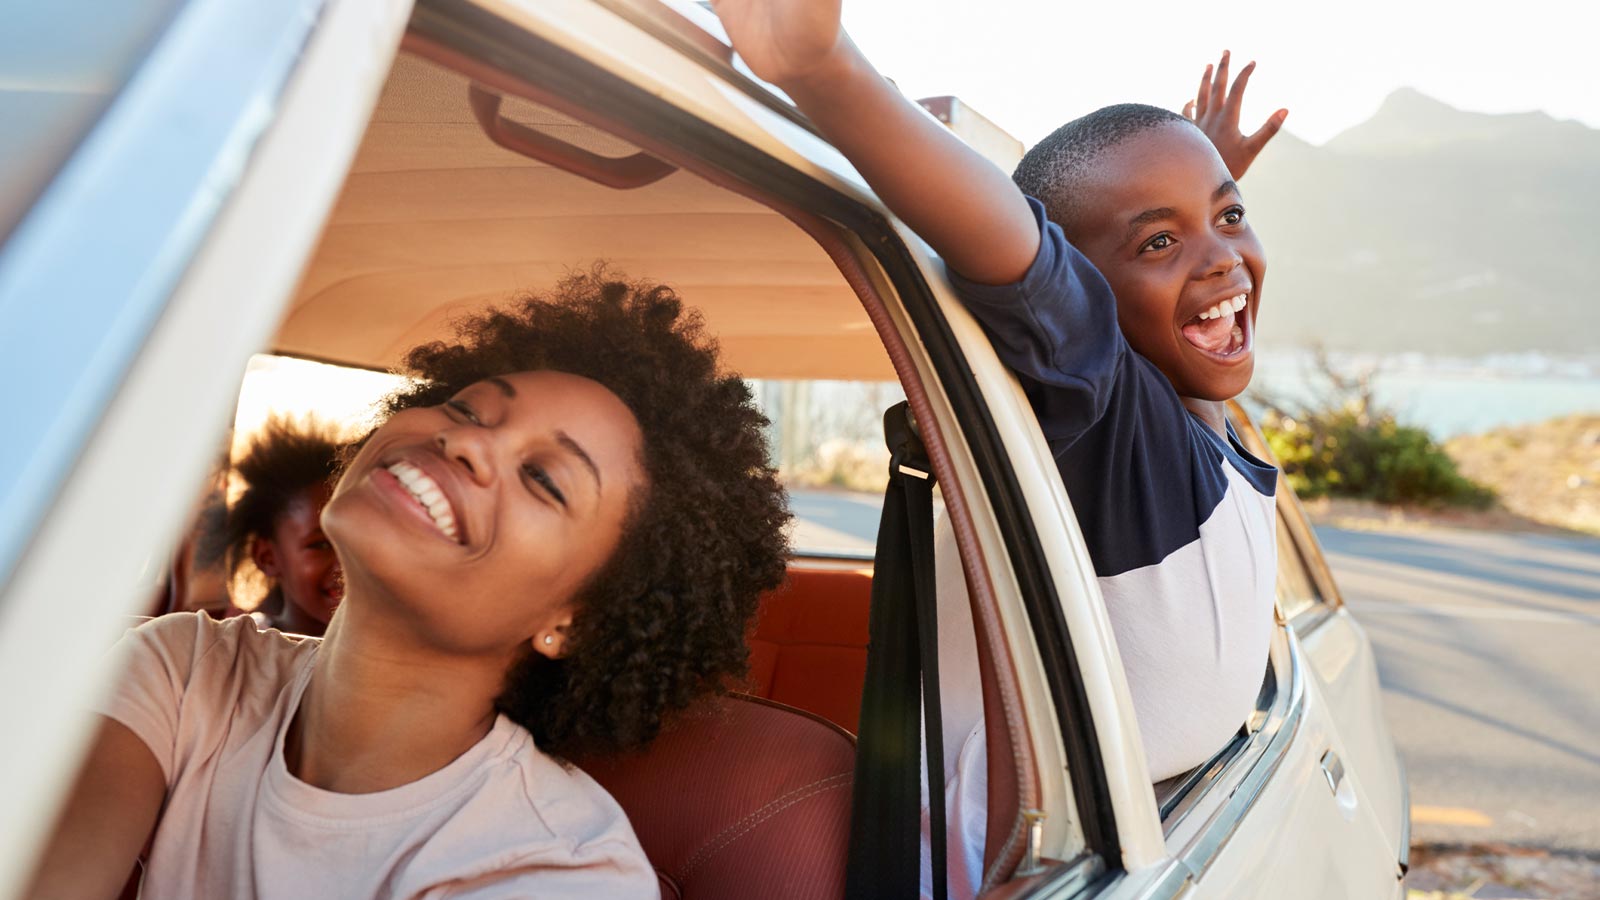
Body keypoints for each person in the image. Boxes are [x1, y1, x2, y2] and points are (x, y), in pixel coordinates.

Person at [713, 2, 1287, 894]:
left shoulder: (1177, 416)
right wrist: (828, 73)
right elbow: (1025, 263)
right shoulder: (1104, 423)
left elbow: (1184, 355)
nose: (1223, 260)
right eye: (1160, 241)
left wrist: (1189, 175)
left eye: (1233, 215)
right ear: (1081, 294)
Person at [25, 272, 790, 900]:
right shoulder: (189, 667)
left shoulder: (555, 872)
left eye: (542, 478)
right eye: (467, 408)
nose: (464, 440)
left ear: (578, 620)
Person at [223, 416, 345, 636]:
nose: (346, 564)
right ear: (267, 557)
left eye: (355, 542)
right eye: (321, 545)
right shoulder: (243, 648)